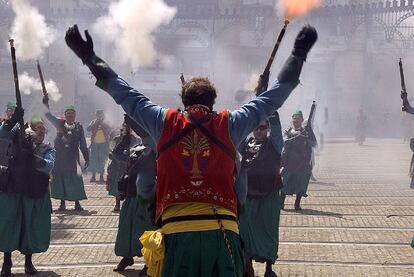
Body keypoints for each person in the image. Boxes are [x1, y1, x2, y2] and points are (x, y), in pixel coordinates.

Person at [65, 23, 317, 276]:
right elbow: (273, 97)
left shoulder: (163, 122)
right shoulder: (231, 123)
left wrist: (88, 57)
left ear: (184, 101)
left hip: (176, 236)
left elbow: (123, 92)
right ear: (212, 100)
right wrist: (298, 55)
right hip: (222, 235)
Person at [0, 111, 55, 276]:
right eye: (38, 128)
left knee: (29, 227)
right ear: (29, 129)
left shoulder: (47, 149)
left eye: (43, 130)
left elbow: (48, 166)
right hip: (12, 190)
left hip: (33, 192)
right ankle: (6, 263)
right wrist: (12, 120)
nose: (41, 132)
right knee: (9, 225)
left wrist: (32, 155)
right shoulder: (15, 140)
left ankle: (28, 263)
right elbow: (2, 132)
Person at [239, 112, 283, 277]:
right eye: (256, 128)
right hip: (248, 196)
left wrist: (270, 109)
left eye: (262, 128)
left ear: (268, 128)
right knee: (245, 231)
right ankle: (247, 265)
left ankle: (269, 268)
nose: (259, 131)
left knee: (269, 231)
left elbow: (277, 129)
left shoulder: (275, 143)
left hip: (269, 196)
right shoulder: (244, 144)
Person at [113, 115, 155, 274]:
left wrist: (132, 120)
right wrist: (125, 139)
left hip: (146, 199)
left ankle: (149, 262)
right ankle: (127, 256)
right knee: (126, 230)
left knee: (145, 231)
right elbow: (117, 155)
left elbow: (145, 134)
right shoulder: (137, 149)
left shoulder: (156, 147)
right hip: (131, 197)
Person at [44, 103, 89, 211]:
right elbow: (48, 116)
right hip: (60, 158)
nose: (70, 115)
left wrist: (87, 157)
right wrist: (46, 104)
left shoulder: (79, 127)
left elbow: (83, 144)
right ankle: (62, 203)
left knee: (76, 180)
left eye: (72, 113)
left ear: (75, 115)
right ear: (65, 115)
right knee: (61, 180)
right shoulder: (59, 123)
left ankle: (77, 203)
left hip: (73, 158)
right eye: (68, 113)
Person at [281, 110, 317, 211]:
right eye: (294, 118)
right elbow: (283, 142)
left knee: (301, 184)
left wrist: (307, 135)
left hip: (302, 163)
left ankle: (297, 204)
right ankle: (281, 203)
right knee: (285, 184)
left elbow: (314, 144)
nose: (296, 120)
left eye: (298, 118)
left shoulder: (306, 131)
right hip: (289, 163)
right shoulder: (287, 132)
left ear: (302, 119)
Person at [107, 120, 139, 212]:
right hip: (117, 166)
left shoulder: (135, 139)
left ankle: (128, 206)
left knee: (129, 186)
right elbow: (111, 149)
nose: (126, 130)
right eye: (125, 128)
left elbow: (136, 150)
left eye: (129, 128)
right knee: (117, 186)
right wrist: (112, 154)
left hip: (129, 166)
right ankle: (117, 204)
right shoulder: (116, 139)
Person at [87, 109, 111, 183]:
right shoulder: (93, 122)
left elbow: (110, 129)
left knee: (102, 160)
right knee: (93, 160)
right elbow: (88, 129)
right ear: (96, 115)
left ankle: (101, 176)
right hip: (94, 144)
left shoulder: (106, 122)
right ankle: (93, 176)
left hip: (103, 144)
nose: (99, 116)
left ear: (103, 115)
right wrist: (95, 124)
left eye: (100, 114)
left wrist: (103, 124)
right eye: (98, 115)